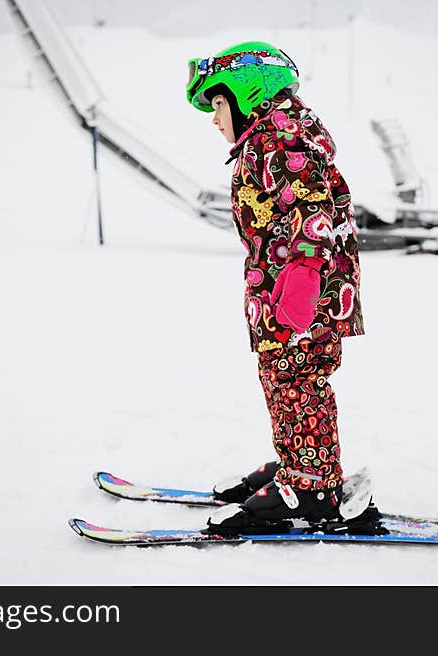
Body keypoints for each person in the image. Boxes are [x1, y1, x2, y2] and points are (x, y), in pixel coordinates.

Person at [185, 42, 366, 534]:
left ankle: (311, 487)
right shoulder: (272, 137)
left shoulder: (276, 141)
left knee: (298, 381)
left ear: (248, 97)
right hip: (282, 285)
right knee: (283, 379)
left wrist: (304, 274)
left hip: (300, 290)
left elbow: (311, 205)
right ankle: (297, 463)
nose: (214, 118)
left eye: (218, 104)